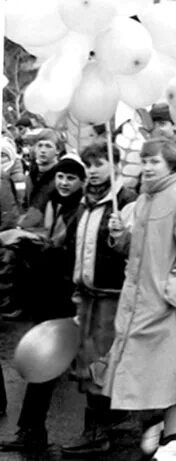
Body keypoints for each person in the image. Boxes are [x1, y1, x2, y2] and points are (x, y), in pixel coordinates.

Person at [103, 139, 176, 461]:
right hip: (138, 302)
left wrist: (171, 295)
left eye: (154, 162)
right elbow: (137, 252)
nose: (147, 167)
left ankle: (171, 440)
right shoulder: (143, 201)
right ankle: (155, 423)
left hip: (167, 306)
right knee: (144, 369)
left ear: (171, 166)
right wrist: (119, 236)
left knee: (171, 372)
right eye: (144, 161)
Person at [0, 155, 86, 454]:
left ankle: (105, 427)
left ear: (82, 182)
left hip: (67, 297)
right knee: (43, 366)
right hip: (45, 294)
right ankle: (31, 430)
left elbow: (70, 253)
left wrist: (33, 244)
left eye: (71, 178)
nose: (63, 182)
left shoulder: (81, 211)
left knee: (85, 368)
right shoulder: (50, 202)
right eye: (61, 177)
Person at [60, 141, 138, 458]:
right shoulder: (86, 202)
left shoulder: (126, 201)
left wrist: (122, 237)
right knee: (87, 363)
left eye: (99, 163)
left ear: (115, 165)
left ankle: (98, 432)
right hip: (88, 296)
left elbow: (136, 250)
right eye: (89, 164)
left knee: (100, 365)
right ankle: (107, 424)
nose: (92, 171)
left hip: (113, 297)